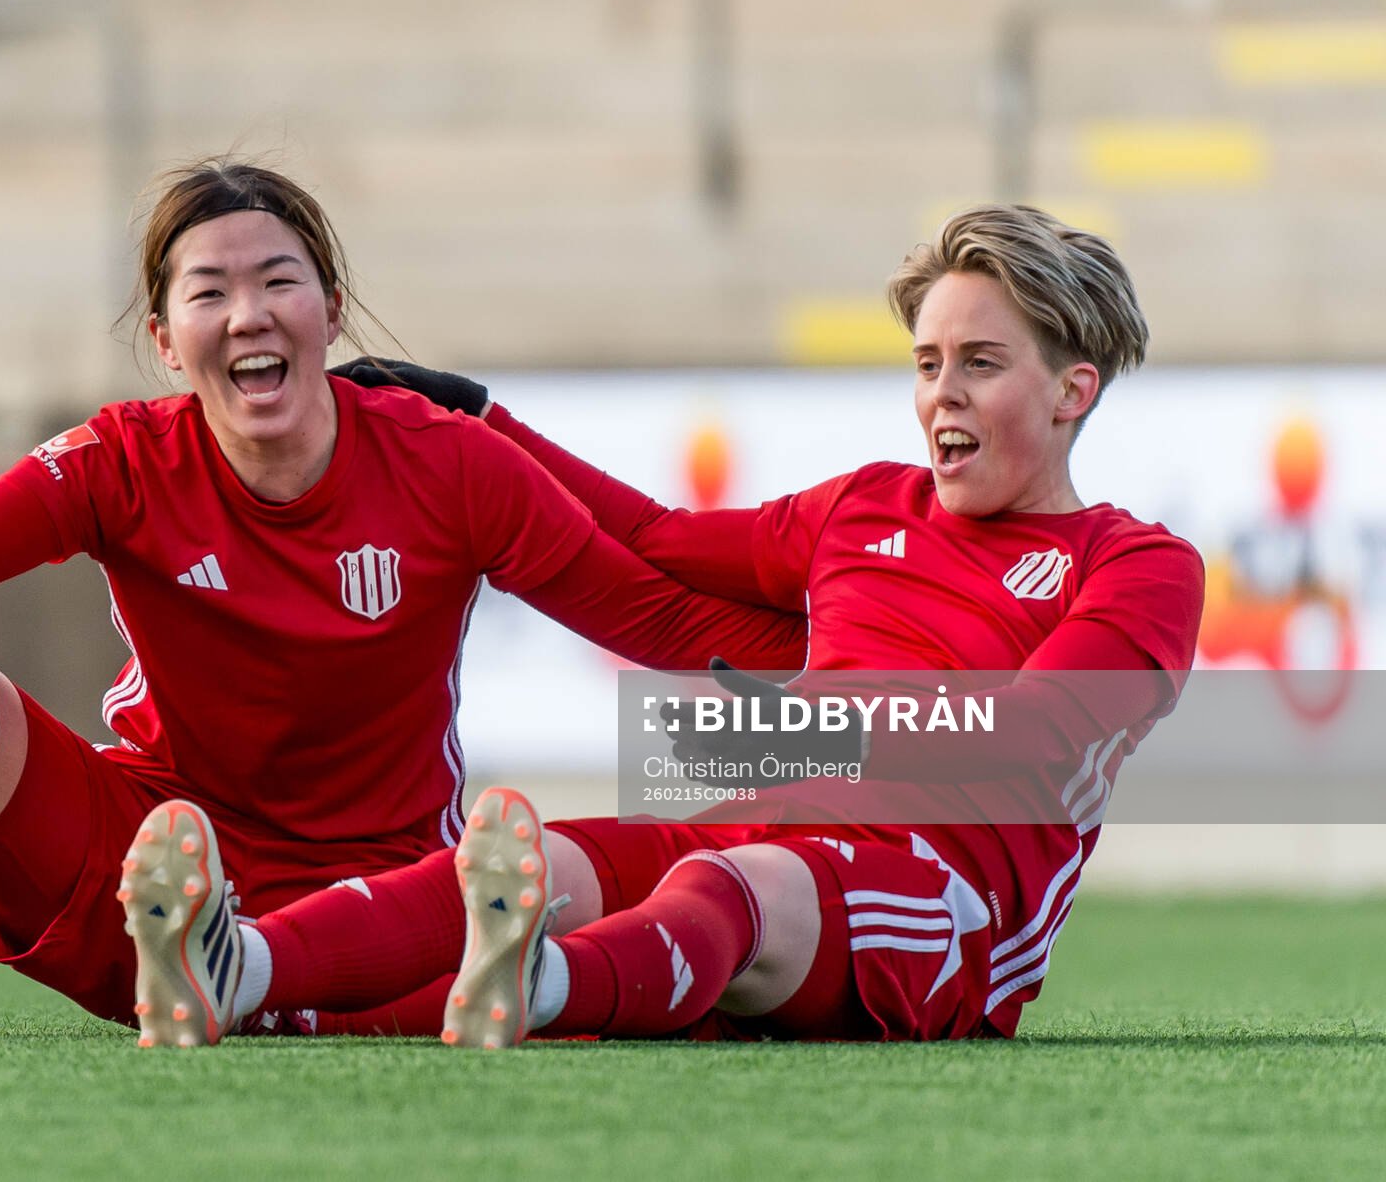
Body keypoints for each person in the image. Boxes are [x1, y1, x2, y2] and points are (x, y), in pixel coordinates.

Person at [0, 159, 806, 1038]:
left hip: (377, 901)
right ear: (165, 336)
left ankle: (270, 987)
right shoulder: (125, 456)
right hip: (157, 866)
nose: (248, 314)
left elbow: (663, 624)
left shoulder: (447, 461)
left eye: (279, 280)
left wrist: (911, 689)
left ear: (329, 307)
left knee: (557, 961)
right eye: (208, 291)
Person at [123, 204, 1204, 1047]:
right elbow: (652, 535)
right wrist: (484, 423)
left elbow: (1033, 739)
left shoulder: (1139, 564)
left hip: (942, 911)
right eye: (927, 364)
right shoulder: (867, 506)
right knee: (548, 862)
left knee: (737, 887)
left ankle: (542, 986)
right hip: (770, 830)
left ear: (1073, 391)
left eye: (980, 363)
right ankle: (244, 967)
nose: (942, 396)